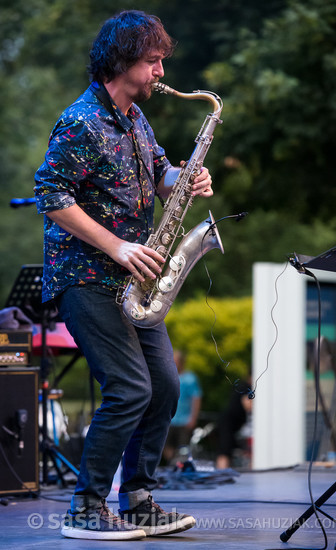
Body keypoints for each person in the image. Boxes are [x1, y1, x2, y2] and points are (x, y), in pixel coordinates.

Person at [34, 10, 214, 541]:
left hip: (135, 281)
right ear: (122, 61)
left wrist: (187, 178)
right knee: (130, 387)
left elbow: (162, 175)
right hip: (86, 276)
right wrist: (117, 245)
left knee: (164, 385)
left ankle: (137, 498)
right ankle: (85, 508)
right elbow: (51, 197)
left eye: (161, 61)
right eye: (153, 60)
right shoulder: (80, 122)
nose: (161, 71)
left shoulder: (136, 118)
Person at [163, 350, 202, 464]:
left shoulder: (190, 378)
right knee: (165, 445)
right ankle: (173, 463)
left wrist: (193, 417)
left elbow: (196, 398)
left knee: (183, 447)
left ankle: (179, 465)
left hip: (184, 419)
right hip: (170, 419)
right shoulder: (168, 376)